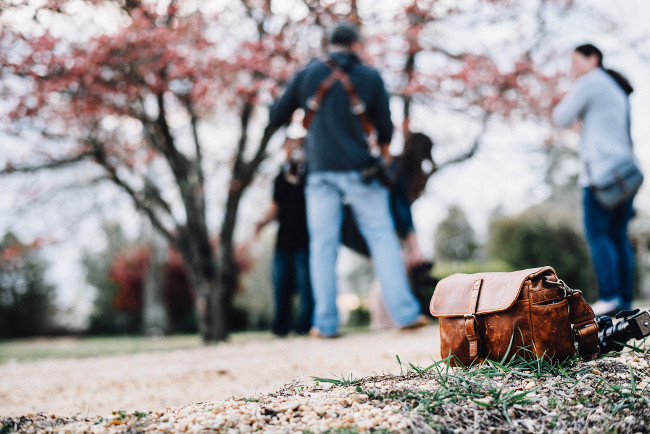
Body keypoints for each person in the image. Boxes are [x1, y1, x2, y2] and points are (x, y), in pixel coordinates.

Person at [269, 21, 428, 337]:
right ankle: (406, 315)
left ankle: (325, 323)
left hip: (319, 173)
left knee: (323, 245)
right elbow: (386, 128)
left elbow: (276, 116)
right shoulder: (369, 76)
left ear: (329, 44)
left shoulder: (307, 74)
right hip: (362, 172)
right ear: (356, 45)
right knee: (382, 238)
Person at [552, 43, 640, 316]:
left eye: (576, 61)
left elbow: (560, 117)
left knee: (598, 234)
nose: (573, 68)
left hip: (601, 174)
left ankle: (610, 297)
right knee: (618, 235)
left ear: (594, 59)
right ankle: (624, 300)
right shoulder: (617, 90)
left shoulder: (590, 82)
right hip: (627, 171)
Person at [341, 132, 437, 328]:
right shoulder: (403, 168)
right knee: (393, 264)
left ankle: (383, 321)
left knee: (387, 267)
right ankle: (384, 321)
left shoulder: (392, 164)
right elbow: (401, 208)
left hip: (354, 224)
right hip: (363, 225)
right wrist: (414, 246)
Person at [254, 140, 313, 336]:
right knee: (281, 288)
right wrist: (261, 223)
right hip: (283, 243)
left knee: (306, 290)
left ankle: (305, 327)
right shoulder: (280, 178)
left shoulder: (311, 176)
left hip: (304, 242)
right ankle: (281, 329)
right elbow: (275, 206)